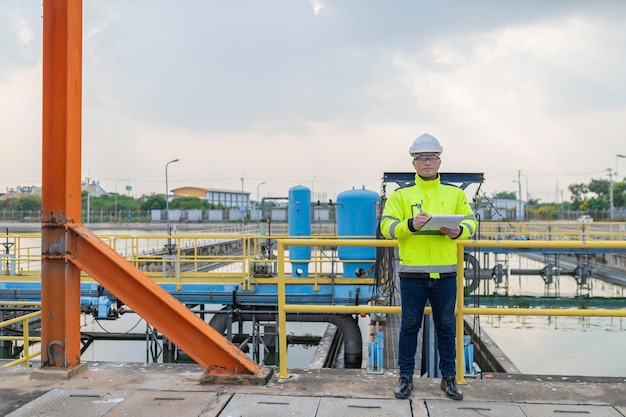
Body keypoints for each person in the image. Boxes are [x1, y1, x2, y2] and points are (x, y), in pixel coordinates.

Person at [379, 133, 477, 400]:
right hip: (413, 272)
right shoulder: (401, 196)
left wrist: (458, 233)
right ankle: (405, 379)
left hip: (446, 272)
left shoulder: (455, 194)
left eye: (431, 157)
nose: (427, 162)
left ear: (439, 161)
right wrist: (410, 225)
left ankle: (449, 379)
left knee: (447, 326)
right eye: (421, 158)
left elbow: (471, 223)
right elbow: (386, 228)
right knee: (409, 326)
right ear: (413, 163)